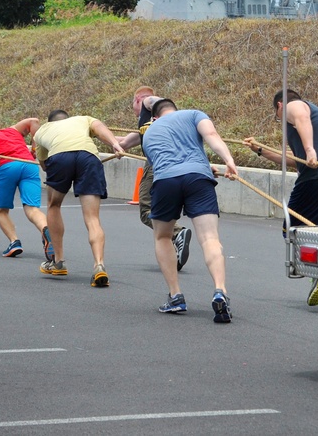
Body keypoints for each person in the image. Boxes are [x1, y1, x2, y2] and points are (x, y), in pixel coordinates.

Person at [246, 89, 318, 313]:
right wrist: (260, 150)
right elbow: (295, 161)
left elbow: (300, 117)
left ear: (279, 105)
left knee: (292, 229)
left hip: (317, 179)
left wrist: (309, 149)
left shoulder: (293, 106)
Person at [142, 98, 237, 323]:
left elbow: (166, 159)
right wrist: (228, 161)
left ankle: (176, 296)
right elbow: (211, 136)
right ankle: (220, 291)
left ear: (154, 117)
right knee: (210, 238)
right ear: (176, 110)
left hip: (166, 180)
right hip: (198, 177)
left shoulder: (149, 132)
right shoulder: (193, 114)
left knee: (163, 236)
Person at [32, 110, 127, 287]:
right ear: (68, 119)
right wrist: (115, 144)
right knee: (92, 218)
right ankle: (99, 264)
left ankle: (58, 261)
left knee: (54, 205)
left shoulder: (42, 131)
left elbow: (44, 165)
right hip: (88, 157)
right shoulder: (83, 119)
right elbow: (99, 127)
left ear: (50, 121)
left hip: (59, 157)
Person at [115, 86, 193, 271]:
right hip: (175, 161)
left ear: (137, 100)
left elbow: (153, 100)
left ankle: (176, 234)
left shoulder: (147, 105)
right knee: (162, 209)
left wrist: (154, 104)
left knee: (147, 210)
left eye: (134, 105)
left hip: (158, 163)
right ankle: (174, 246)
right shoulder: (147, 127)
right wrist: (98, 135)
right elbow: (125, 142)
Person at [0, 118, 54, 260]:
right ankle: (46, 231)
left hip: (8, 166)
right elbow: (34, 121)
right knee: (32, 209)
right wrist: (34, 148)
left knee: (1, 210)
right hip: (29, 166)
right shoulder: (13, 130)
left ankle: (14, 242)